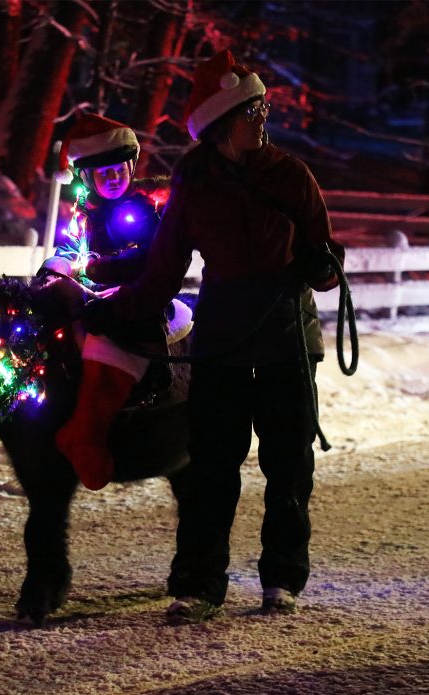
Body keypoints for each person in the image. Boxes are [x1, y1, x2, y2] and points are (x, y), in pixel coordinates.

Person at [82, 50, 343, 623]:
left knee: (288, 466)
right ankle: (199, 585)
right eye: (253, 110)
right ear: (223, 124)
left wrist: (325, 266)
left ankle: (282, 578)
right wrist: (107, 311)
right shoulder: (194, 185)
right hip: (223, 341)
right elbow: (161, 275)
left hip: (287, 339)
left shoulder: (292, 175)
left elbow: (324, 263)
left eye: (264, 107)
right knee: (211, 469)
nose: (264, 118)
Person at [42, 113, 167, 491]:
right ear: (87, 178)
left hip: (134, 296)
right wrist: (57, 266)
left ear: (131, 168)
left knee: (106, 338)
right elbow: (71, 246)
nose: (113, 178)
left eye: (118, 171)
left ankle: (88, 431)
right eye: (103, 173)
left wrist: (100, 268)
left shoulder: (142, 209)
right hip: (90, 292)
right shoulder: (84, 212)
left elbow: (148, 255)